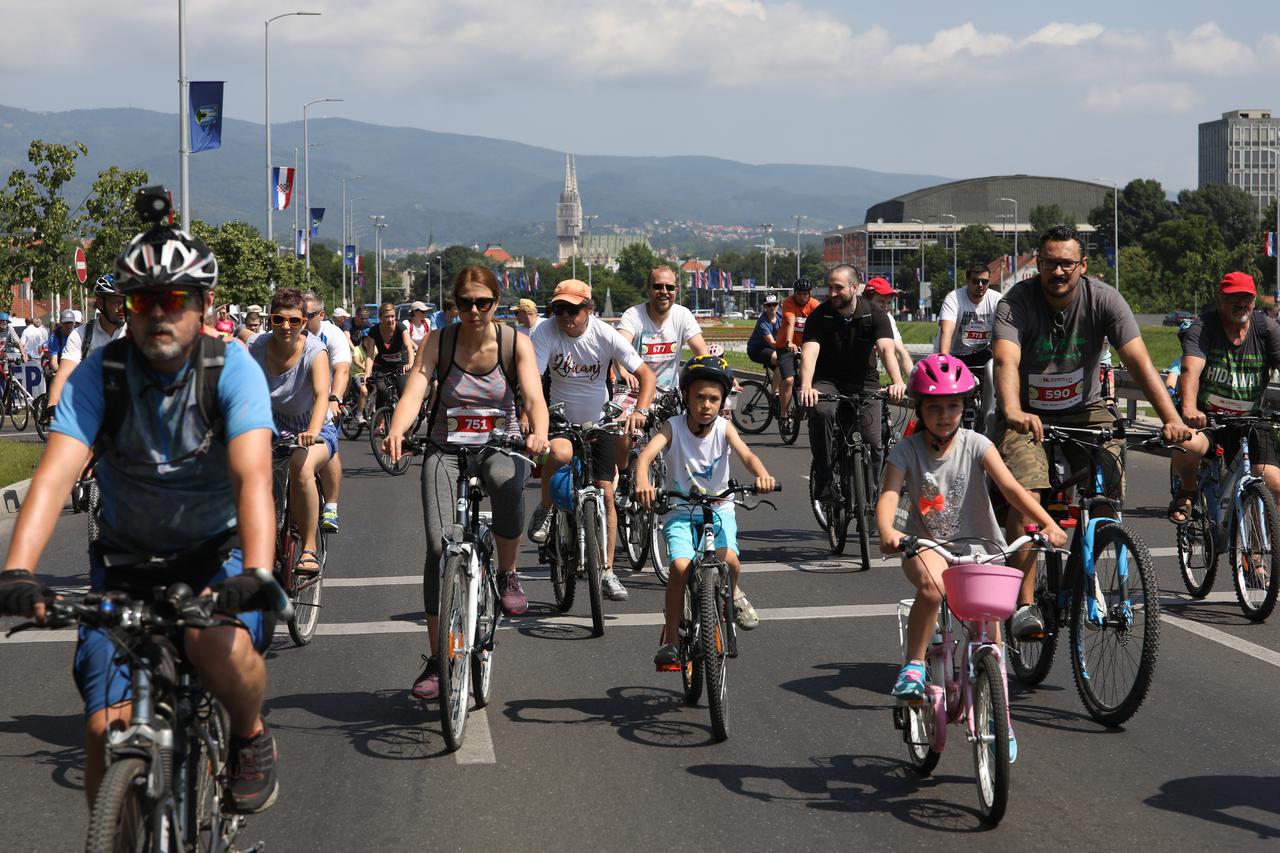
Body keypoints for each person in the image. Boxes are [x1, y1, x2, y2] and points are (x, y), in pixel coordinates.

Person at [0, 210, 280, 813]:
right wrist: (19, 569)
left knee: (211, 643)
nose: (159, 312)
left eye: (175, 298)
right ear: (125, 306)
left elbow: (252, 475)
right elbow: (52, 478)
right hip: (125, 565)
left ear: (202, 305)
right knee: (103, 732)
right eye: (143, 299)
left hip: (217, 560)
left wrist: (254, 572)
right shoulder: (99, 377)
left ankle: (249, 736)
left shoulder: (231, 370)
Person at [991, 225, 1191, 638]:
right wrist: (1011, 410)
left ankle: (1086, 566)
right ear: (1038, 265)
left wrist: (1171, 418)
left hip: (1087, 411)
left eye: (1067, 263)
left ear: (1082, 266)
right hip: (1028, 415)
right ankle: (1024, 605)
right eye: (1049, 262)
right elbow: (1005, 361)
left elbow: (1138, 360)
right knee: (1027, 496)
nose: (1058, 271)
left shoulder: (1104, 300)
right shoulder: (1016, 303)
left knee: (1107, 492)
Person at [383, 266, 550, 700]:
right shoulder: (441, 341)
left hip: (500, 442)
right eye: (464, 303)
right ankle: (438, 660)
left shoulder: (515, 343)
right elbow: (416, 389)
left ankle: (509, 573)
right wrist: (398, 429)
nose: (474, 311)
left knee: (505, 481)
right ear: (453, 305)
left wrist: (538, 432)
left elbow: (533, 395)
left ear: (497, 304)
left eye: (483, 303)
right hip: (445, 448)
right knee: (439, 549)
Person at [877, 355, 1066, 706]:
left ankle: (997, 716)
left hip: (982, 547)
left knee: (991, 641)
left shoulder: (978, 444)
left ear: (965, 407)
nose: (945, 415)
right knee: (933, 590)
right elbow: (890, 496)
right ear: (920, 410)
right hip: (927, 545)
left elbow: (1012, 490)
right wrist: (888, 531)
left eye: (953, 405)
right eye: (935, 407)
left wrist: (1048, 523)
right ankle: (915, 666)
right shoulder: (906, 451)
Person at [634, 355, 776, 666]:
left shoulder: (724, 428)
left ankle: (732, 596)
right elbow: (645, 457)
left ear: (723, 401)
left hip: (718, 509)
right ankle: (671, 638)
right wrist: (643, 481)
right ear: (686, 396)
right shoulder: (671, 427)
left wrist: (762, 474)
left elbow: (747, 455)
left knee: (732, 562)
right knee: (681, 568)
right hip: (679, 510)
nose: (706, 405)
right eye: (699, 397)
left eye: (714, 399)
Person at [528, 279, 656, 600]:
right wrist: (532, 419)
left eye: (572, 309)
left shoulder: (605, 335)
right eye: (558, 309)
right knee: (557, 454)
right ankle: (545, 506)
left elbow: (646, 375)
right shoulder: (544, 333)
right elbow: (532, 377)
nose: (565, 316)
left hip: (599, 421)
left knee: (607, 494)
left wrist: (640, 410)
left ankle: (608, 571)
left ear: (589, 309)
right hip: (559, 419)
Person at [1169, 272, 1280, 529]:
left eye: (1247, 298)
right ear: (1220, 298)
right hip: (1208, 417)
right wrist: (1188, 408)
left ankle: (1259, 552)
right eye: (1234, 297)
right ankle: (1187, 490)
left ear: (1254, 301)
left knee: (1273, 483)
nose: (1241, 303)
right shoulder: (1203, 327)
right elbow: (1190, 370)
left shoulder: (1267, 330)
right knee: (1187, 444)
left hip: (1250, 419)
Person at [796, 265, 907, 500]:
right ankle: (825, 481)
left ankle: (873, 496)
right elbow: (810, 352)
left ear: (855, 288)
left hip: (865, 381)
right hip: (828, 380)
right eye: (830, 287)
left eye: (839, 288)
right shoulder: (820, 315)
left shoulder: (875, 315)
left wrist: (897, 381)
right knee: (822, 412)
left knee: (875, 443)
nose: (832, 293)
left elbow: (887, 349)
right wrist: (806, 385)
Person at [247, 288, 334, 577]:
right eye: (279, 319)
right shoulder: (257, 347)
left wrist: (311, 431)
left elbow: (322, 395)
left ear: (303, 322)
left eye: (294, 321)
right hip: (272, 428)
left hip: (314, 428)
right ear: (269, 320)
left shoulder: (314, 351)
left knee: (301, 467)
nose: (286, 326)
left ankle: (308, 548)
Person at [303, 291, 353, 533]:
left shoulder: (332, 334)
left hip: (323, 403)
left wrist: (334, 398)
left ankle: (331, 506)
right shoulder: (289, 331)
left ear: (321, 315)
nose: (300, 320)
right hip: (292, 405)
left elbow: (342, 370)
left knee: (328, 444)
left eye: (307, 315)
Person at [46, 275, 127, 418]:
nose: (122, 307)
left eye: (125, 300)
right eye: (116, 301)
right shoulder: (81, 335)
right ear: (100, 303)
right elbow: (64, 373)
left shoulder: (137, 332)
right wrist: (53, 404)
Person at [937, 263, 1003, 369]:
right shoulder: (953, 298)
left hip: (981, 353)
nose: (980, 285)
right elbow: (946, 332)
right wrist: (944, 363)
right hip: (954, 354)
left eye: (985, 281)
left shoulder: (997, 300)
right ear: (967, 281)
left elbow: (1005, 332)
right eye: (976, 281)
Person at [775, 278, 818, 423]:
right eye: (799, 294)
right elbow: (790, 321)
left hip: (806, 346)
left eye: (805, 294)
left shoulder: (814, 305)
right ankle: (784, 413)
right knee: (788, 380)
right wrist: (789, 341)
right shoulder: (788, 302)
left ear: (809, 294)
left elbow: (821, 325)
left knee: (815, 377)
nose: (801, 297)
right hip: (785, 345)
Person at [362, 301, 415, 405]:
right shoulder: (374, 331)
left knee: (403, 392)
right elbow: (370, 355)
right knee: (382, 391)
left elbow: (409, 347)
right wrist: (367, 373)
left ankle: (406, 419)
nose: (390, 320)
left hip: (400, 366)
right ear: (380, 317)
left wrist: (410, 363)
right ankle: (380, 420)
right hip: (381, 367)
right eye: (387, 317)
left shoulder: (401, 328)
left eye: (392, 316)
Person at [863, 278, 914, 380]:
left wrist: (915, 382)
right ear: (866, 301)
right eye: (881, 301)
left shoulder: (888, 318)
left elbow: (900, 352)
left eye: (889, 302)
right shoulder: (857, 315)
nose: (886, 307)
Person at [746, 296, 782, 396]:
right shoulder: (763, 322)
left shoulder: (781, 316)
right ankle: (774, 393)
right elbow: (772, 342)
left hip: (770, 350)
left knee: (786, 373)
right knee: (781, 360)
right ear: (764, 307)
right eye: (768, 305)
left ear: (778, 305)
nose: (772, 307)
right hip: (756, 350)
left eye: (774, 304)